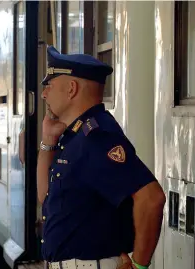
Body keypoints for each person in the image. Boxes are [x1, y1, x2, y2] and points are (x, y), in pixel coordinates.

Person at [37, 46, 165, 269]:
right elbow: (44, 197)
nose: (44, 94)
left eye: (49, 85)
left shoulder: (97, 138)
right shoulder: (74, 137)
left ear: (71, 89)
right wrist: (48, 142)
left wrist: (139, 265)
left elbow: (151, 198)